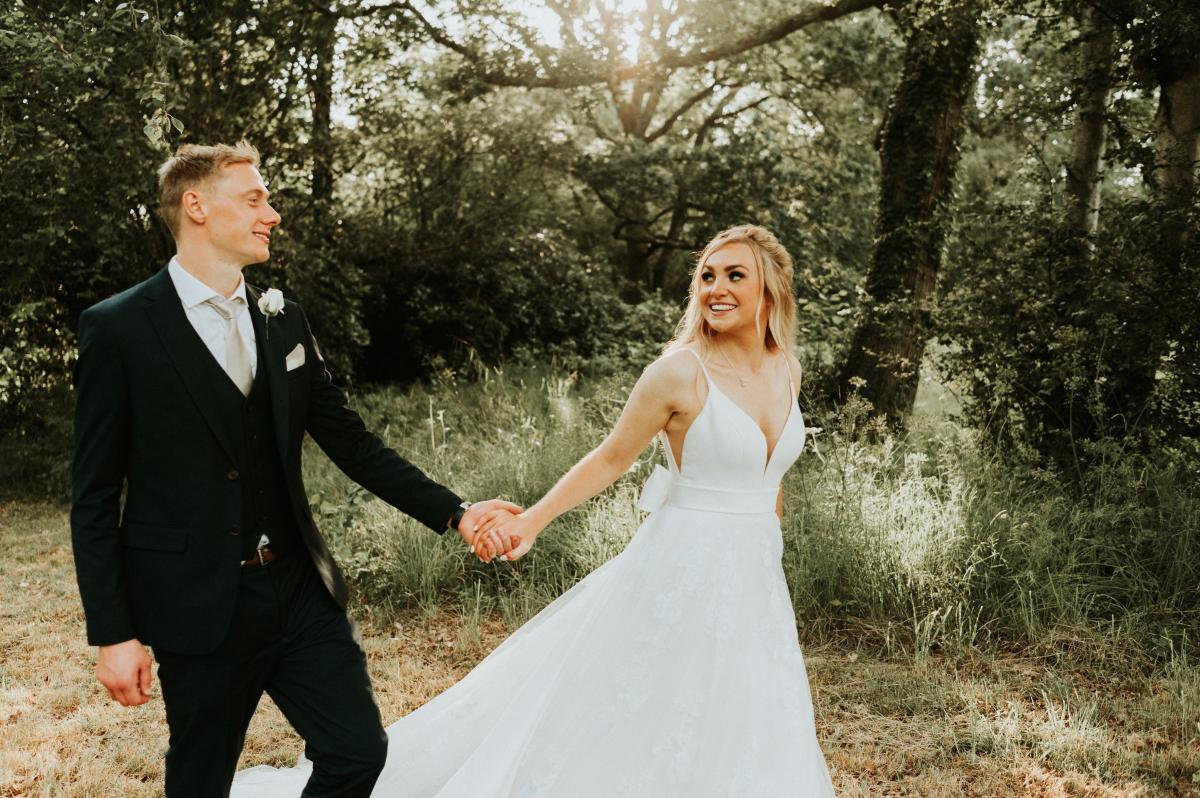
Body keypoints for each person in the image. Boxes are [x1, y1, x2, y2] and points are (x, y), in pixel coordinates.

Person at [232, 224, 836, 797]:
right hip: (683, 563)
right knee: (652, 698)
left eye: (735, 275)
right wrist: (530, 521)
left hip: (755, 571)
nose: (716, 289)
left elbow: (768, 479)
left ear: (770, 289)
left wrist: (768, 552)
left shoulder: (787, 368)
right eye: (706, 276)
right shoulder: (679, 373)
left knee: (745, 699)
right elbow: (609, 459)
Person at [70, 141, 521, 798]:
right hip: (196, 599)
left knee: (357, 754)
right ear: (196, 206)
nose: (272, 214)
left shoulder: (284, 320)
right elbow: (93, 495)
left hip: (299, 587)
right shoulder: (118, 328)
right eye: (254, 199)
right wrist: (114, 634)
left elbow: (352, 443)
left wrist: (457, 512)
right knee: (200, 781)